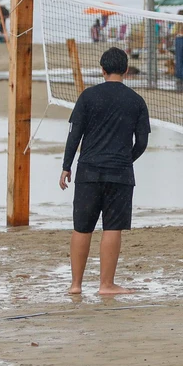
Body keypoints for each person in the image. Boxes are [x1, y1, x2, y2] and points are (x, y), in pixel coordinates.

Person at [60, 47, 150, 296]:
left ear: (102, 69)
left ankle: (75, 285)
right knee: (112, 227)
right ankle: (106, 285)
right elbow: (141, 142)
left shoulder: (88, 97)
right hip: (120, 174)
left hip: (88, 172)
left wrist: (66, 166)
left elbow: (74, 135)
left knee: (82, 227)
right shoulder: (136, 100)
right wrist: (125, 160)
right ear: (126, 70)